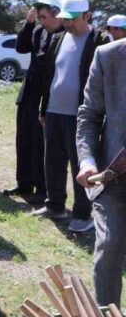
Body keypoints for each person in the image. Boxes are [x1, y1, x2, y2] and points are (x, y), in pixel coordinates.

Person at [34, 0, 110, 233]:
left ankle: (83, 213)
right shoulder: (58, 38)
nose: (68, 23)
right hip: (54, 111)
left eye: (73, 19)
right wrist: (43, 107)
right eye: (65, 19)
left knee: (82, 166)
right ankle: (55, 205)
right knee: (53, 162)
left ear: (87, 15)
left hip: (81, 115)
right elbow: (50, 76)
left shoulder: (100, 40)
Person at [76, 37, 126, 309]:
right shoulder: (108, 56)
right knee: (109, 246)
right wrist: (87, 160)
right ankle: (108, 312)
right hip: (115, 176)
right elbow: (89, 115)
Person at [4, 0, 64, 203]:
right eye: (38, 17)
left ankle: (42, 189)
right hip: (28, 94)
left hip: (48, 97)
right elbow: (21, 47)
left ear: (56, 14)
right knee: (24, 140)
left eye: (44, 17)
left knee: (41, 145)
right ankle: (24, 183)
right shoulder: (38, 31)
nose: (41, 21)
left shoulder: (64, 35)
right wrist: (29, 24)